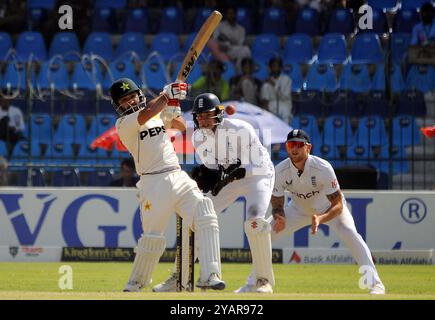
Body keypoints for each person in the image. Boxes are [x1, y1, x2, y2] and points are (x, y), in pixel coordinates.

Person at [110, 77, 225, 292]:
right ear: (119, 105)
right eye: (124, 99)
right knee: (153, 237)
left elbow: (180, 126)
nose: (130, 101)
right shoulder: (124, 124)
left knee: (205, 212)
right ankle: (135, 284)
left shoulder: (157, 113)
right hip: (153, 181)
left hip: (176, 174)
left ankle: (210, 275)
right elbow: (145, 115)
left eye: (132, 95)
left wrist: (173, 107)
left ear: (140, 95)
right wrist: (166, 96)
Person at [153, 93, 276, 293]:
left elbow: (253, 166)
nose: (202, 120)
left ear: (219, 113)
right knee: (196, 218)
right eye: (199, 116)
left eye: (207, 115)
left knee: (255, 223)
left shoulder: (240, 129)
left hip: (258, 176)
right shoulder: (198, 137)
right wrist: (205, 178)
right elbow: (214, 169)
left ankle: (263, 281)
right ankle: (179, 277)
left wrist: (227, 177)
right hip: (230, 178)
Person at [238, 128, 386, 294]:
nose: (294, 148)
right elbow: (278, 202)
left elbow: (337, 204)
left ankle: (375, 284)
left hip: (328, 209)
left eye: (299, 145)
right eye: (291, 144)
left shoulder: (323, 168)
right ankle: (255, 283)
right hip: (298, 209)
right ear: (287, 147)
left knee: (351, 234)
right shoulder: (279, 170)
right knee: (263, 237)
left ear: (308, 147)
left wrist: (321, 218)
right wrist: (279, 216)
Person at [208, 5, 251, 73]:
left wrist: (229, 41)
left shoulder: (241, 29)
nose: (231, 15)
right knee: (245, 51)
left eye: (232, 14)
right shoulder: (220, 26)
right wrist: (226, 43)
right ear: (226, 15)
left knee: (245, 50)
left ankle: (238, 72)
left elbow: (240, 44)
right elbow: (215, 40)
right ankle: (240, 73)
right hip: (222, 50)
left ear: (235, 14)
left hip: (234, 50)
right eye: (229, 14)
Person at [260, 57, 293, 124]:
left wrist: (274, 85)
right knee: (265, 86)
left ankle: (285, 133)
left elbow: (285, 97)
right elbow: (264, 100)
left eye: (276, 66)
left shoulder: (287, 80)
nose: (274, 69)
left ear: (280, 68)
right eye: (272, 67)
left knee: (285, 112)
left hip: (284, 104)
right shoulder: (267, 82)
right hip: (271, 104)